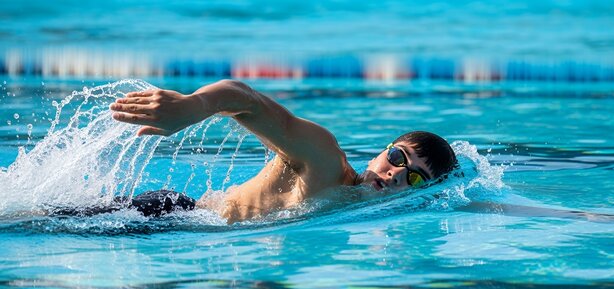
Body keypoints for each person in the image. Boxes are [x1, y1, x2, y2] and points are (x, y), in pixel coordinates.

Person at [109, 80, 458, 224]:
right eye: (398, 158)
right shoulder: (323, 158)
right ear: (380, 154)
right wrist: (193, 105)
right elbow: (244, 98)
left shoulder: (351, 215)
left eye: (413, 178)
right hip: (170, 214)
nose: (396, 174)